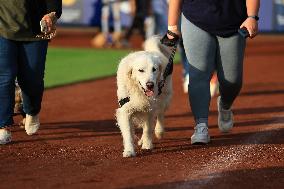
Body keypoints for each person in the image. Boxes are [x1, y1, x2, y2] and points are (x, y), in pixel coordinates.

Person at [162, 0, 260, 144]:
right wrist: (172, 26)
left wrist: (252, 16)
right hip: (195, 18)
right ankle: (200, 126)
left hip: (233, 22)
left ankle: (225, 105)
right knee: (198, 74)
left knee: (232, 81)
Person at [0, 0, 62, 144]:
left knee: (32, 78)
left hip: (35, 31)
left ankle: (32, 111)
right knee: (4, 77)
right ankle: (3, 125)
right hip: (3, 29)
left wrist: (51, 14)